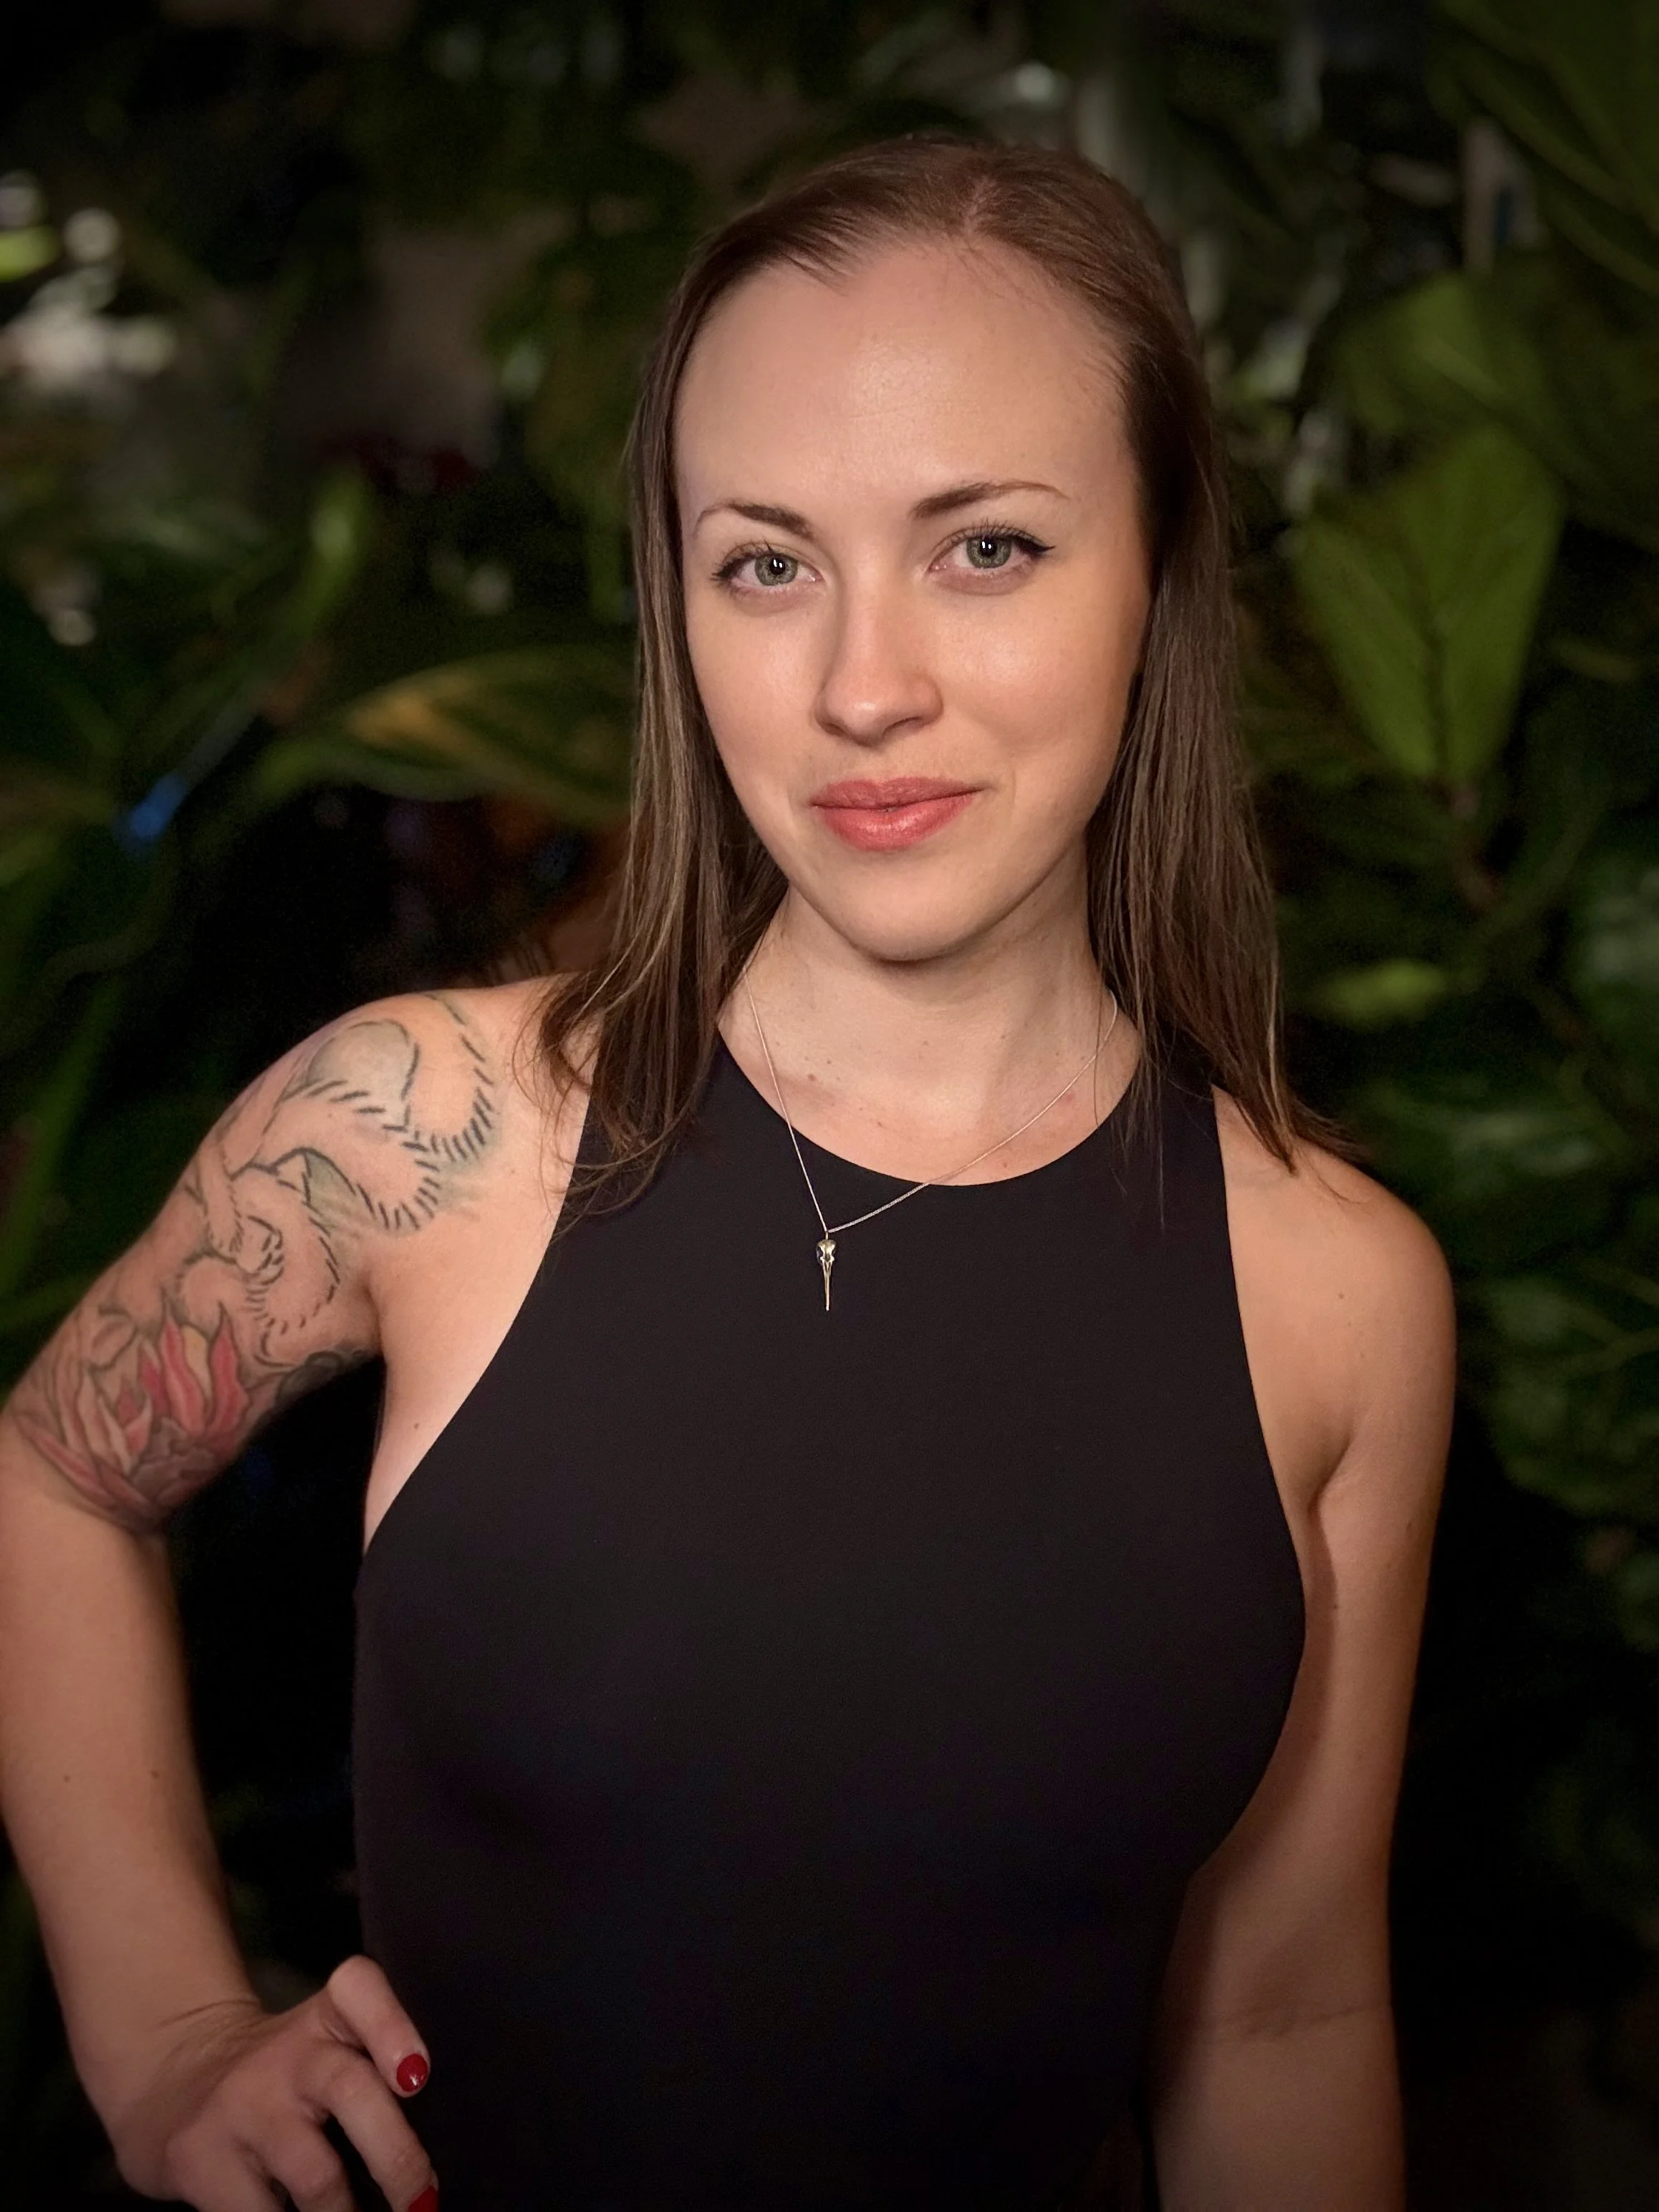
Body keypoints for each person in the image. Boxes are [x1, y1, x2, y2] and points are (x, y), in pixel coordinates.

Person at [0, 135, 1454, 2211]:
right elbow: (50, 1475)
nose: (864, 686)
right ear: (676, 604)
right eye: (765, 561)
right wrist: (160, 2038)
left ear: (1159, 572)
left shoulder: (1338, 1292)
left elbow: (1279, 2016)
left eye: (986, 550)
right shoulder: (424, 1138)